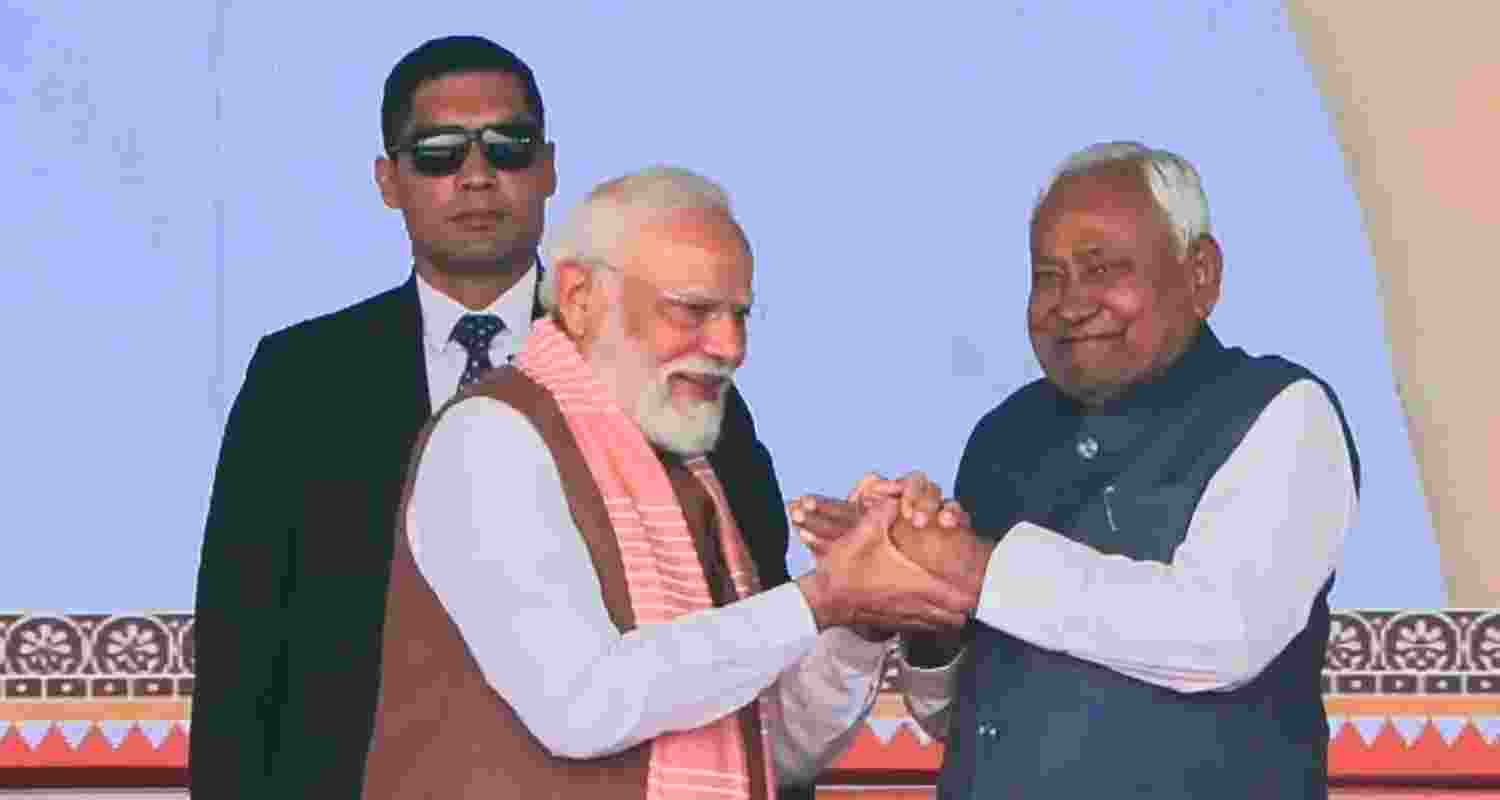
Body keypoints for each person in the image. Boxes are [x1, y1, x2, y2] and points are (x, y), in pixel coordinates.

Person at [189, 37, 811, 799]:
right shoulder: (303, 380)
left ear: (548, 168)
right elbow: (244, 656)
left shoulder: (665, 369)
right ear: (389, 180)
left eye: (507, 149)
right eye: (440, 153)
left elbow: (759, 627)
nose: (477, 175)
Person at [361, 167, 973, 799]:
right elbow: (582, 704)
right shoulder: (489, 440)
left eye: (739, 316)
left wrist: (860, 616)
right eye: (693, 311)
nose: (731, 345)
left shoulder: (689, 470)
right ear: (578, 298)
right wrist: (821, 599)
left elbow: (769, 751)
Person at [795, 142, 1360, 799]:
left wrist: (971, 565)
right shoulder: (1006, 437)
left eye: (1104, 269)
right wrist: (917, 602)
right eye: (1047, 276)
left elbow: (1221, 635)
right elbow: (969, 716)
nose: (1070, 303)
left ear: (1200, 274)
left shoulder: (1282, 411)